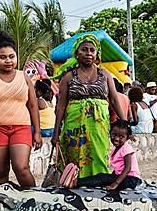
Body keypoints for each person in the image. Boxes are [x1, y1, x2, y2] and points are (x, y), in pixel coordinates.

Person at [51, 33, 126, 180]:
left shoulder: (105, 74)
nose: (88, 53)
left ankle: (97, 189)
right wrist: (56, 132)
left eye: (92, 50)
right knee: (74, 158)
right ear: (76, 53)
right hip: (74, 126)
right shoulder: (68, 77)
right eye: (84, 49)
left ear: (97, 54)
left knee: (98, 156)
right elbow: (60, 107)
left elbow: (114, 100)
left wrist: (124, 124)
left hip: (98, 126)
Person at [0, 28, 42, 187]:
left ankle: (34, 203)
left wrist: (37, 132)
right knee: (0, 171)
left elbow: (33, 105)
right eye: (2, 57)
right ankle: (5, 207)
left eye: (12, 57)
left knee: (22, 168)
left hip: (21, 128)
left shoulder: (24, 77)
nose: (8, 61)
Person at [76, 120, 142, 191]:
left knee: (102, 177)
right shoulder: (116, 149)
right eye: (114, 135)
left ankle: (77, 182)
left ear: (127, 138)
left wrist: (115, 183)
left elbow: (127, 168)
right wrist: (111, 178)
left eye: (121, 137)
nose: (116, 139)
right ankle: (78, 181)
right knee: (104, 178)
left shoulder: (126, 148)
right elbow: (118, 170)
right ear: (110, 133)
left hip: (131, 180)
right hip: (125, 178)